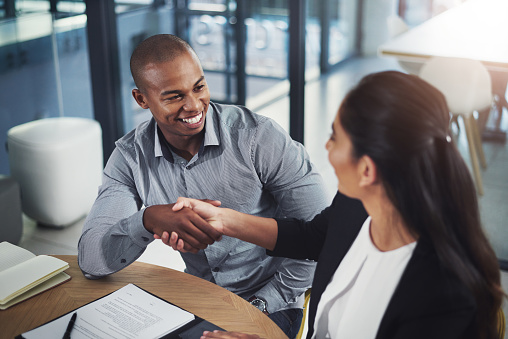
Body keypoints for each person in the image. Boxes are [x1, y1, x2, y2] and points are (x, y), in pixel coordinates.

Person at [169, 71, 505, 339]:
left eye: (334, 136)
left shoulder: (441, 297)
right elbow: (315, 237)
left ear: (367, 169)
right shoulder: (359, 203)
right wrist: (223, 220)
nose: (326, 148)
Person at [77, 34, 330, 338]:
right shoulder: (129, 157)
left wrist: (260, 305)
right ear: (142, 99)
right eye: (174, 96)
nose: (194, 105)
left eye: (199, 87)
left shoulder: (259, 138)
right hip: (198, 296)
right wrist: (148, 219)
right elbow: (91, 261)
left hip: (273, 299)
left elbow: (322, 241)